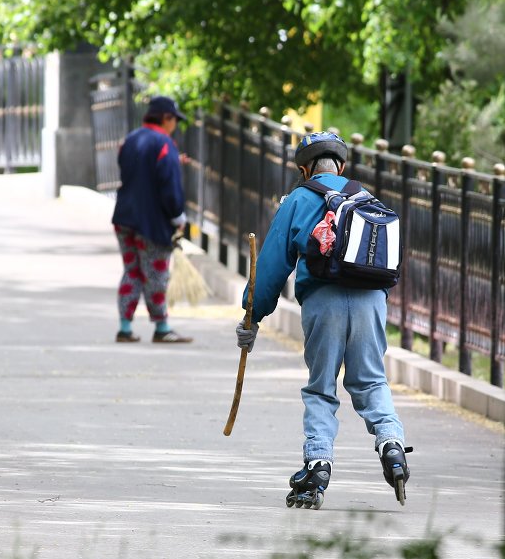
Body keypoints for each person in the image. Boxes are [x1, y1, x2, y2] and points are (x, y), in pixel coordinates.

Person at [235, 131, 410, 509]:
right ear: (342, 166)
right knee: (370, 381)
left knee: (321, 388)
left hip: (323, 304)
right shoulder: (368, 200)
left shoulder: (298, 200)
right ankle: (392, 445)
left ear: (304, 169)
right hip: (370, 303)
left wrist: (251, 315)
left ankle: (316, 468)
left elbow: (269, 269)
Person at [112, 95, 193, 344]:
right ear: (166, 118)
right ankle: (162, 327)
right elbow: (169, 187)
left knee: (132, 271)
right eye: (174, 120)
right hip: (151, 223)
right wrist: (178, 216)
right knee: (156, 274)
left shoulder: (131, 139)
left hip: (124, 218)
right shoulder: (164, 144)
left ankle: (125, 327)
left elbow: (133, 169)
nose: (175, 125)